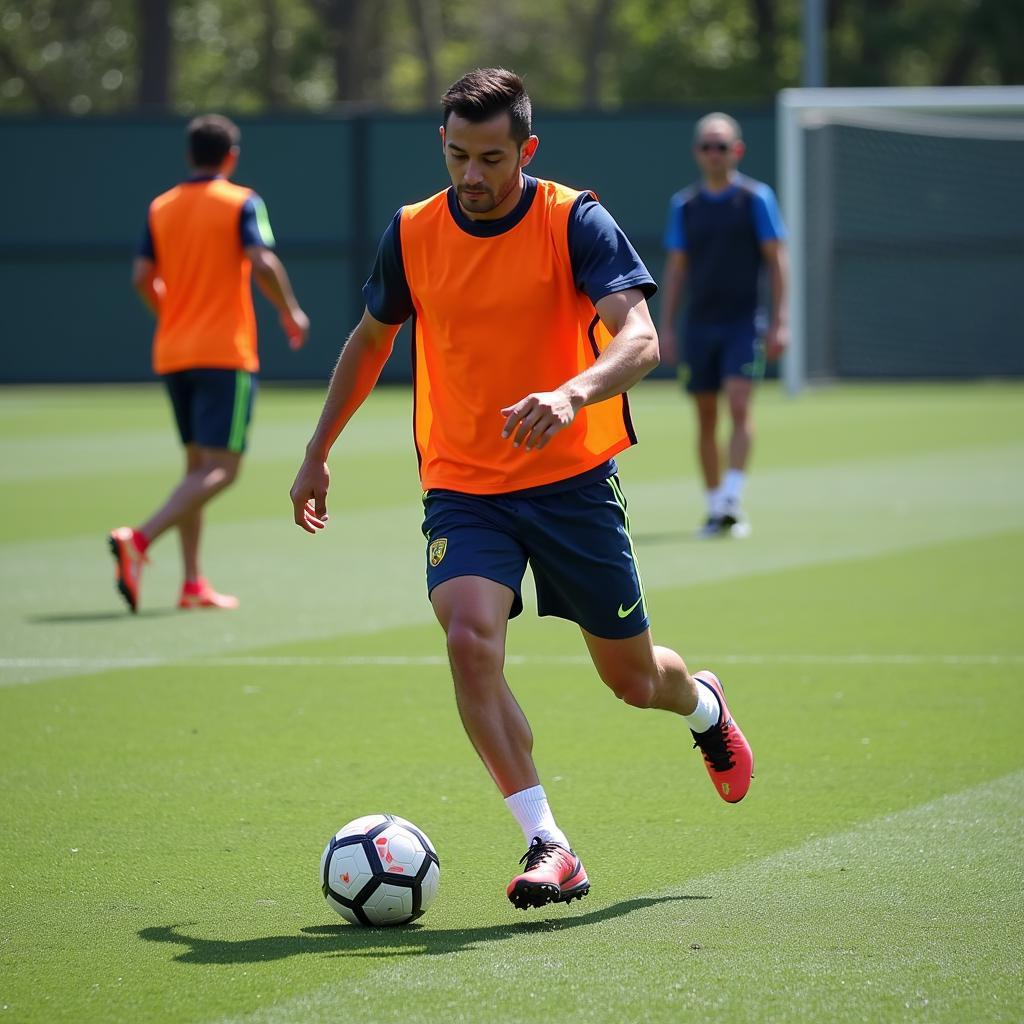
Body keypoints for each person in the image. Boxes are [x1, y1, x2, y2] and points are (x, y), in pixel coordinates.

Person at [289, 69, 753, 911]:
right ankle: (550, 841)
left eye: (493, 157)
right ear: (442, 144)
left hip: (572, 483)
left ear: (526, 150)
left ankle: (702, 706)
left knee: (633, 681)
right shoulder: (412, 232)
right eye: (459, 154)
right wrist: (318, 448)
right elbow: (368, 343)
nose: (473, 174)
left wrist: (572, 392)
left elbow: (641, 340)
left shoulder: (576, 220)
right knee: (470, 639)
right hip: (464, 487)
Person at [109, 113, 309, 613]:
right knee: (224, 469)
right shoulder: (242, 201)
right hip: (223, 352)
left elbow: (140, 276)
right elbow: (262, 260)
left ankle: (193, 583)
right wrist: (291, 312)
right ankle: (140, 538)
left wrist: (170, 313)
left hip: (174, 351)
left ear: (189, 155)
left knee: (196, 468)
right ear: (231, 157)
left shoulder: (162, 207)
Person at [659, 112, 788, 538]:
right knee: (706, 414)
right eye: (707, 146)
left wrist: (780, 321)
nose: (714, 154)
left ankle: (733, 496)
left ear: (738, 150)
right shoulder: (685, 205)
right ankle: (715, 506)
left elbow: (776, 260)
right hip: (700, 325)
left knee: (738, 403)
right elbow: (677, 270)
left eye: (722, 146)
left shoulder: (756, 198)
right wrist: (668, 326)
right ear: (697, 152)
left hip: (743, 323)